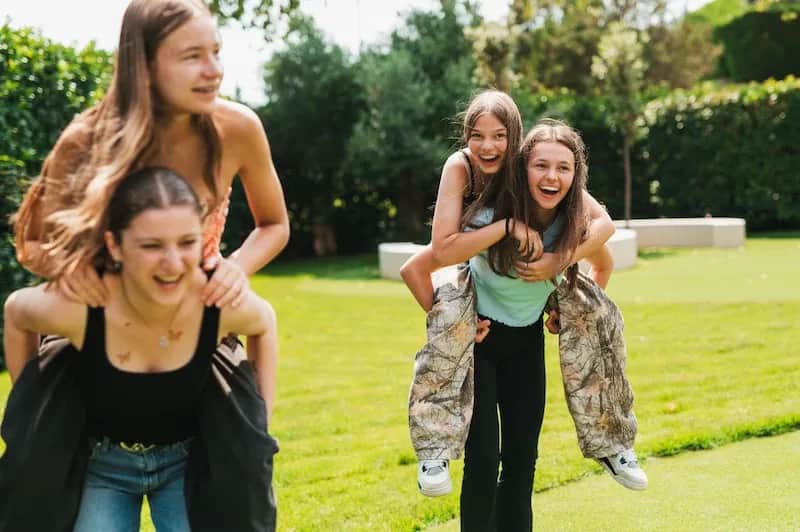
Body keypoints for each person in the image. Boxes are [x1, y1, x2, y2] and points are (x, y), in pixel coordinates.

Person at [10, 0, 289, 421]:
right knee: (43, 448)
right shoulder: (86, 140)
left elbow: (275, 224)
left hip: (195, 324)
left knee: (243, 450)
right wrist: (66, 268)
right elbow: (30, 244)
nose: (213, 70)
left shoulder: (237, 129)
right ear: (143, 65)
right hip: (100, 331)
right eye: (192, 57)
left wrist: (236, 267)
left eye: (216, 52)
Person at [3, 166, 276, 530]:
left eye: (186, 243)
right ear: (115, 245)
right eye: (151, 246)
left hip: (187, 460)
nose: (172, 263)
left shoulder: (214, 302)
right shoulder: (83, 305)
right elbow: (17, 312)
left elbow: (264, 322)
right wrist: (33, 401)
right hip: (103, 462)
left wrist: (258, 422)